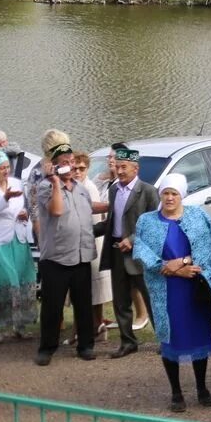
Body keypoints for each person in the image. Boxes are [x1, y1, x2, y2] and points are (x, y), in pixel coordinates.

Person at [132, 174, 211, 412]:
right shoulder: (147, 221)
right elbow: (141, 249)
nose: (169, 198)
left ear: (182, 195)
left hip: (194, 286)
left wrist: (188, 262)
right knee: (171, 338)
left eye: (174, 194)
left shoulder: (198, 216)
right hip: (166, 289)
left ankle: (202, 388)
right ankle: (176, 392)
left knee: (199, 336)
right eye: (165, 193)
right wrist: (171, 269)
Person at [34, 136, 97, 366]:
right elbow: (57, 210)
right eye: (64, 162)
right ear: (54, 164)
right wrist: (54, 181)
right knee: (52, 305)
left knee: (83, 303)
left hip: (81, 255)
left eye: (71, 161)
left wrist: (118, 205)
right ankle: (47, 348)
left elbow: (90, 209)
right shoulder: (44, 187)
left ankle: (86, 345)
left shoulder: (81, 189)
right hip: (57, 258)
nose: (69, 165)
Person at [97, 144, 158, 358]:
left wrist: (132, 240)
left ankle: (164, 338)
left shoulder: (148, 192)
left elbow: (154, 225)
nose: (120, 171)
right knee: (121, 300)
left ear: (136, 169)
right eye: (118, 167)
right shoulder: (114, 190)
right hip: (116, 252)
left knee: (151, 299)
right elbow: (113, 222)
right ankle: (127, 341)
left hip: (141, 255)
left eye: (124, 167)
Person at [0, 149, 36, 342]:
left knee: (22, 281)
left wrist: (24, 213)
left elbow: (23, 206)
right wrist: (5, 199)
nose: (6, 171)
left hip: (17, 238)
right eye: (1, 168)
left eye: (7, 167)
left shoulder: (17, 183)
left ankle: (20, 325)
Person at [72, 152, 114, 342]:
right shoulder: (73, 185)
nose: (78, 172)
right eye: (75, 168)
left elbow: (95, 220)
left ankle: (96, 326)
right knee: (84, 291)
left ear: (87, 169)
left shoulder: (89, 188)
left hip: (91, 242)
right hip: (77, 244)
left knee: (95, 291)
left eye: (82, 169)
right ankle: (87, 327)